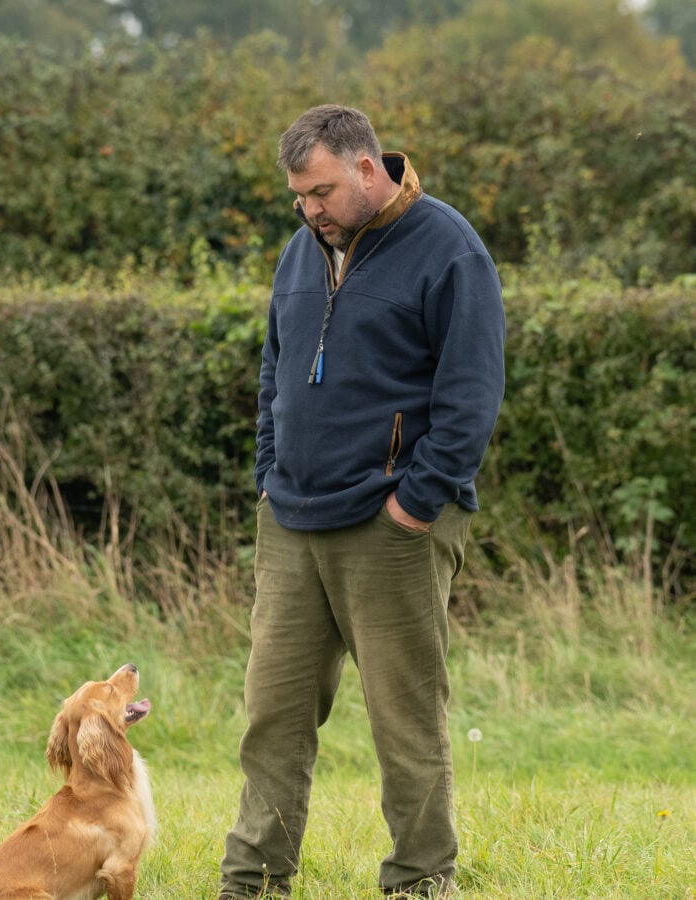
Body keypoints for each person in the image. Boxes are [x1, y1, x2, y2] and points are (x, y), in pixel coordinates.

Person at [219, 105, 505, 899]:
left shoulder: (449, 249)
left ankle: (420, 882)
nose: (308, 210)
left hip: (393, 529)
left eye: (318, 192)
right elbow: (275, 368)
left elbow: (472, 393)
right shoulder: (302, 250)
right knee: (271, 718)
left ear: (368, 170)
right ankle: (251, 883)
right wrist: (269, 476)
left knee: (404, 724)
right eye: (298, 197)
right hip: (292, 521)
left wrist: (416, 504)